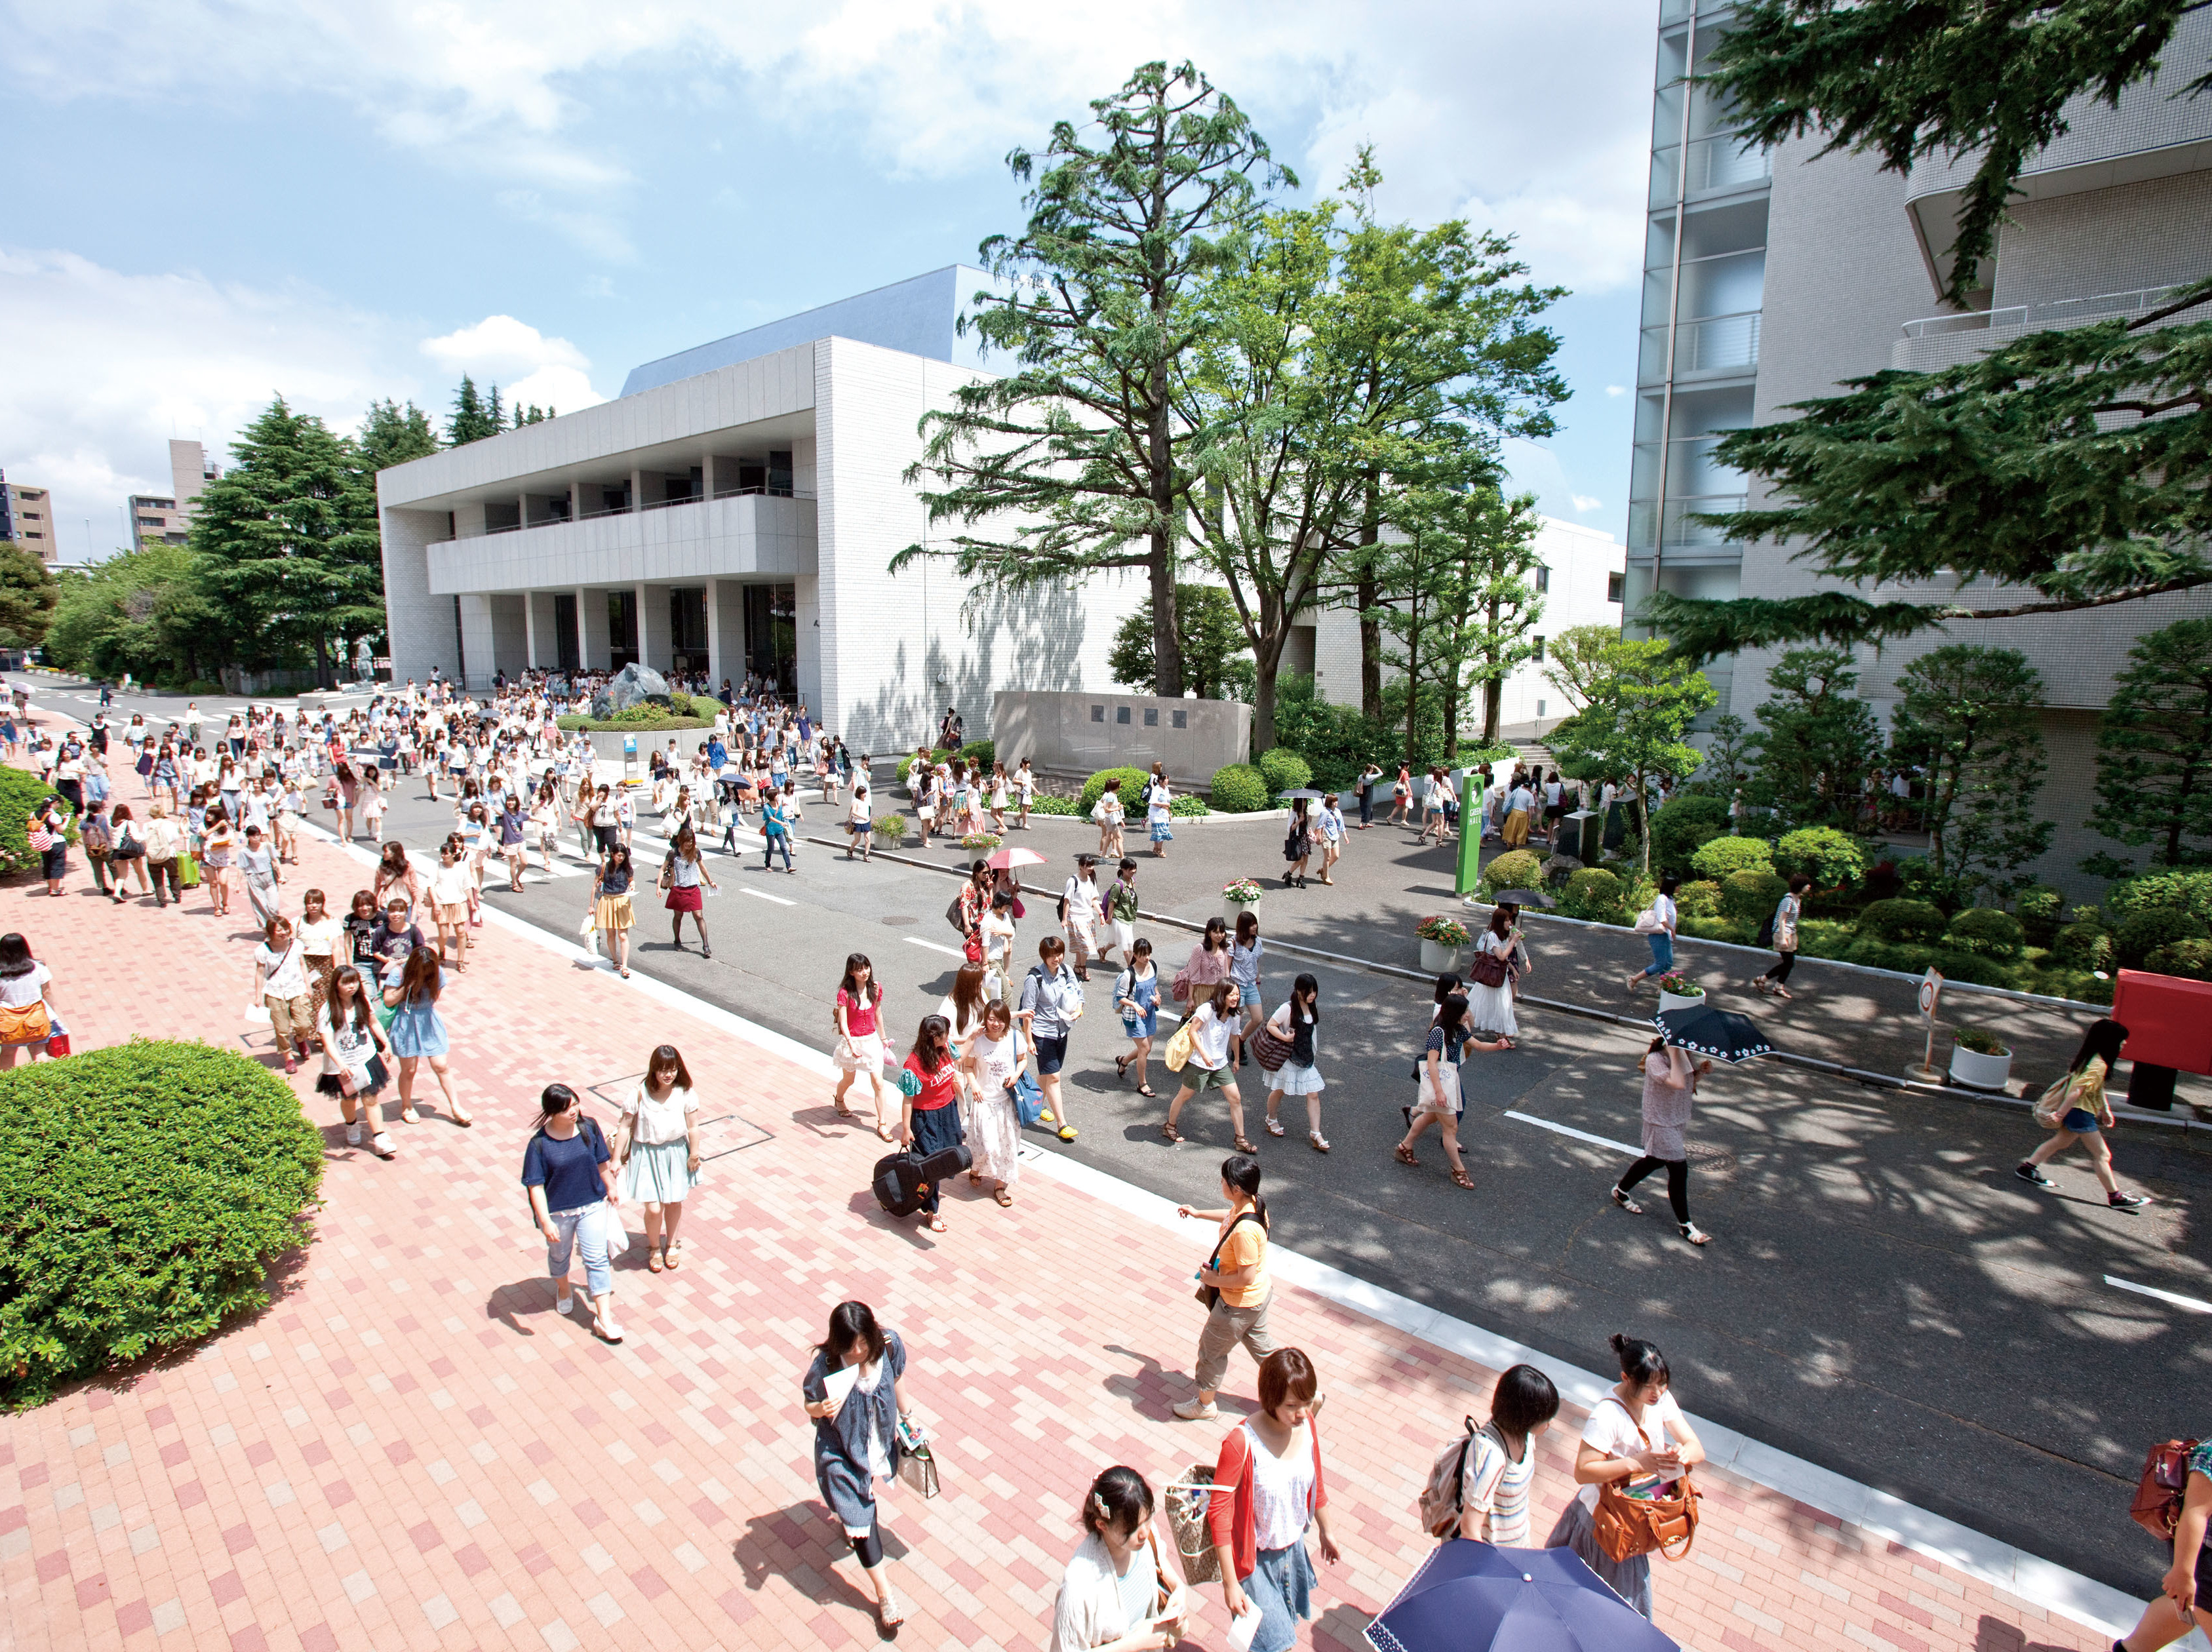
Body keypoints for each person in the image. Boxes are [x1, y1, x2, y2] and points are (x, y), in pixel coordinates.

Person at [1548, 1333, 1707, 1621]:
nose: (1657, 1393)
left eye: (1662, 1383)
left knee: (1593, 1611)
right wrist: (1636, 1463)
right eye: (1648, 1386)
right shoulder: (1607, 1416)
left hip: (1635, 1516)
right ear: (1626, 1378)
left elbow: (1696, 1448)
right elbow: (1583, 1470)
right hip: (1604, 1523)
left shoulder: (1661, 1400)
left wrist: (1684, 1453)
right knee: (1615, 1614)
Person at [1201, 1348, 1340, 1652]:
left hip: (1293, 1550)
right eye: (1292, 1405)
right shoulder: (1241, 1443)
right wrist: (1230, 1583)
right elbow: (1219, 1513)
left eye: (1307, 1402)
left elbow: (1316, 1479)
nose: (1302, 1413)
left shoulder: (1307, 1426)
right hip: (1254, 1563)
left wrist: (1326, 1529)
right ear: (1270, 1398)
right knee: (1280, 1645)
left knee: (1276, 1639)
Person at [800, 1302, 918, 1634]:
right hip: (840, 1451)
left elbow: (897, 1378)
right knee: (862, 1517)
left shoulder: (889, 1344)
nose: (858, 1352)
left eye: (864, 1343)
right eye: (850, 1347)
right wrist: (821, 1408)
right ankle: (885, 1596)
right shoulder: (826, 1364)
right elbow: (808, 1402)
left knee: (858, 1502)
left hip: (876, 1443)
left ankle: (848, 1517)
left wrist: (908, 1418)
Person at [1172, 1154, 1278, 1421]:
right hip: (1258, 1298)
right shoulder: (1255, 1205)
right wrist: (1198, 1213)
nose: (1221, 1183)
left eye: (1224, 1180)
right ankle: (1303, 1392)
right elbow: (1231, 1218)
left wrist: (1213, 1281)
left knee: (1211, 1352)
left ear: (1237, 1188)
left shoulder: (1245, 1233)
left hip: (1236, 1305)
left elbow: (1245, 1277)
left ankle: (1204, 1405)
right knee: (1265, 1351)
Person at [521, 1082, 623, 1343]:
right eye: (567, 1108)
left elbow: (600, 1161)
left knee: (597, 1259)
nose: (574, 1111)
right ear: (552, 1112)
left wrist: (610, 1186)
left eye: (576, 1104)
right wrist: (545, 1221)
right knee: (560, 1256)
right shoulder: (539, 1145)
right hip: (559, 1213)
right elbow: (536, 1187)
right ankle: (564, 1288)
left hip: (592, 1205)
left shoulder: (589, 1128)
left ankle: (604, 1319)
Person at [2017, 1018, 2152, 1209]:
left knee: (2061, 1142)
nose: (2125, 1043)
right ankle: (2116, 1197)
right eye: (2122, 1039)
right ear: (2110, 1041)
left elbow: (2096, 1088)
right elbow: (2077, 1091)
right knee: (2103, 1155)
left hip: (2077, 1112)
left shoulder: (2091, 1058)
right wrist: (2060, 1115)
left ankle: (2027, 1168)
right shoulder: (2099, 1065)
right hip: (2080, 1113)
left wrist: (2105, 1109)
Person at [1051, 1466, 1188, 1652]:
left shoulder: (1146, 1539)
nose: (1144, 1533)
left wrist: (1180, 1595)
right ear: (1102, 1525)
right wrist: (1136, 1643)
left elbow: (1171, 1579)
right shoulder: (1079, 1586)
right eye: (1131, 1529)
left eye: (1148, 1518)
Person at [1608, 1039, 1714, 1244]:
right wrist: (1675, 1053)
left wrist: (1701, 1072)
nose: (1688, 1046)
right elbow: (1677, 1083)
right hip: (1659, 1119)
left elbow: (1687, 1084)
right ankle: (1686, 1226)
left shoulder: (1685, 1055)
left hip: (1677, 1118)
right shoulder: (1655, 1060)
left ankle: (1620, 1191)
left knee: (1655, 1160)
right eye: (1684, 1043)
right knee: (1679, 1168)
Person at [1396, 993, 1505, 1190]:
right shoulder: (1438, 1033)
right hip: (1441, 1085)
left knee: (1429, 1116)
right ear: (1455, 1013)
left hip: (1449, 1083)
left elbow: (1478, 1045)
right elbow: (1432, 1064)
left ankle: (1405, 1147)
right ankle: (1458, 1170)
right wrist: (1439, 1092)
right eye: (1465, 1012)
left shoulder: (1458, 1029)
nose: (1467, 1015)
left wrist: (1497, 1046)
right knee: (1451, 1129)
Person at [2116, 1437, 2212, 1652]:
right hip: (2203, 1559)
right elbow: (2196, 1512)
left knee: (2183, 1611)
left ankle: (2131, 1650)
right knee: (2191, 1604)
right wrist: (2183, 1573)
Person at [615, 1044, 702, 1272]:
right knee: (654, 1208)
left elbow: (693, 1127)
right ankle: (654, 1247)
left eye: (673, 1069)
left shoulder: (685, 1093)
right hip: (646, 1154)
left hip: (675, 1152)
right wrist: (616, 1159)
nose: (668, 1074)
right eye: (663, 1070)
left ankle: (671, 1245)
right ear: (654, 1069)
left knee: (674, 1202)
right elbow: (624, 1126)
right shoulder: (639, 1093)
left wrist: (694, 1154)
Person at [1455, 1364, 1562, 1544]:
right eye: (1545, 1419)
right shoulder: (1491, 1458)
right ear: (1524, 1418)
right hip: (1493, 1553)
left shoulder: (1527, 1435)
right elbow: (1470, 1529)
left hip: (1517, 1545)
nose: (1549, 1424)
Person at [382, 947, 473, 1128]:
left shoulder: (437, 972)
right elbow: (388, 1000)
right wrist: (407, 986)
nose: (425, 975)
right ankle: (407, 1106)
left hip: (428, 1020)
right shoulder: (399, 973)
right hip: (406, 1021)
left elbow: (434, 998)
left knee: (441, 1065)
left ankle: (456, 1107)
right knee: (409, 1070)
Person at [317, 964, 397, 1158]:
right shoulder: (327, 1011)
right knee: (349, 1098)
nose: (351, 986)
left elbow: (374, 1023)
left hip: (366, 1058)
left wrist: (386, 1043)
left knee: (371, 1098)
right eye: (346, 983)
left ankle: (380, 1137)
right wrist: (340, 1064)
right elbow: (327, 1042)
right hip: (344, 1064)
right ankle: (351, 1125)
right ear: (336, 985)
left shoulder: (363, 1001)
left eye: (354, 982)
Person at [898, 1015, 967, 1234]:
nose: (949, 1037)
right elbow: (908, 1100)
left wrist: (974, 1037)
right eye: (946, 1033)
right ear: (934, 1037)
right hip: (926, 1119)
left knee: (948, 1157)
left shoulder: (945, 1047)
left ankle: (924, 1196)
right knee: (931, 1166)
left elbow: (960, 1058)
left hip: (948, 1112)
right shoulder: (913, 1065)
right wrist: (906, 1129)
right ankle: (931, 1210)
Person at [1162, 981, 1252, 1149]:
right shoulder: (1207, 1009)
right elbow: (1193, 1031)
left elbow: (1235, 1036)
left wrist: (1237, 1059)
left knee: (1236, 1098)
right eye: (1232, 995)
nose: (1236, 998)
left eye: (1237, 994)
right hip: (1199, 1062)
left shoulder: (1235, 1015)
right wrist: (1204, 1054)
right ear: (1222, 995)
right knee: (1185, 1095)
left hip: (1220, 1063)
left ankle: (1240, 1139)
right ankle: (1170, 1126)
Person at [1020, 935, 1085, 1143]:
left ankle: (1034, 1105)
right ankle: (1062, 1125)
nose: (1056, 959)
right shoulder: (1035, 979)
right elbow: (1028, 1012)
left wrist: (1079, 1009)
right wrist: (1029, 1040)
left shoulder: (1066, 971)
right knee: (1055, 1077)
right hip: (1042, 1033)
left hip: (1061, 1031)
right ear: (1044, 956)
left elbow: (1079, 993)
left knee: (1047, 1075)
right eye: (1052, 956)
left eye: (1059, 954)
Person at [962, 997, 1026, 1208]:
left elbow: (1023, 1060)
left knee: (1007, 1146)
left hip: (1007, 1100)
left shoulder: (1015, 1037)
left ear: (1006, 1020)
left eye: (1000, 1020)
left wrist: (1016, 1076)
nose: (996, 1024)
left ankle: (1000, 1186)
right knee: (985, 1144)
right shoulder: (979, 1041)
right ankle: (976, 1168)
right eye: (991, 1019)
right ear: (985, 1019)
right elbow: (968, 1066)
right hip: (984, 1100)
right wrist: (974, 1085)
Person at [1263, 974, 1328, 1153]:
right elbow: (1271, 1025)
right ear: (1299, 991)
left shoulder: (1311, 1006)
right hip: (1289, 1059)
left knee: (1313, 1094)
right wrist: (1285, 1038)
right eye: (1309, 991)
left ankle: (1316, 1133)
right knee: (1280, 1090)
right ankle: (1271, 1119)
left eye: (1315, 991)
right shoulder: (1288, 1008)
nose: (1313, 995)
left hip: (1306, 1060)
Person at [834, 953, 894, 1137]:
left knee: (878, 1083)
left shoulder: (876, 988)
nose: (865, 972)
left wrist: (883, 1038)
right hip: (853, 1041)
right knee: (849, 1080)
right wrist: (851, 1044)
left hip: (871, 1040)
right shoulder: (845, 993)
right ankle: (839, 1099)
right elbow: (843, 1023)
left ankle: (882, 1124)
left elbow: (878, 1014)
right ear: (851, 972)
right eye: (859, 969)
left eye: (866, 967)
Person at [250, 914, 315, 1075]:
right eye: (279, 930)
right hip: (275, 992)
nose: (284, 933)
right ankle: (288, 1057)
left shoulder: (296, 945)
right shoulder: (262, 950)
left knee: (304, 1023)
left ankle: (300, 1039)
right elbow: (259, 973)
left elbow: (303, 965)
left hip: (297, 989)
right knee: (282, 1029)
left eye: (285, 929)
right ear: (271, 932)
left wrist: (308, 986)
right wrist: (258, 996)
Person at [0, 933, 62, 1070]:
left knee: (8, 1053)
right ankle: (43, 1081)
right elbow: (47, 993)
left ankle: (6, 1082)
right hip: (35, 1017)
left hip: (8, 1021)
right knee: (39, 1051)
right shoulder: (38, 967)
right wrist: (51, 1015)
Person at [1467, 907, 1528, 1042]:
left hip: (1498, 975)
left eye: (1510, 920)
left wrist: (1513, 968)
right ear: (1500, 922)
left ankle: (1500, 1034)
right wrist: (1513, 942)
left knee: (1487, 1002)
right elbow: (1501, 956)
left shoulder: (1502, 937)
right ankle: (1501, 1035)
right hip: (1492, 974)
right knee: (1499, 1004)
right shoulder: (1492, 936)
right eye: (1507, 921)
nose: (1510, 923)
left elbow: (1503, 959)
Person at [1113, 937, 1161, 1100]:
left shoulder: (1153, 966)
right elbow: (1120, 997)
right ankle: (1142, 1084)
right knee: (1145, 1048)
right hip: (1135, 1016)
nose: (1147, 958)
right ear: (1135, 955)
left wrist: (1158, 996)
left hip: (1149, 1013)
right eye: (1143, 955)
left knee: (1145, 1049)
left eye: (1148, 954)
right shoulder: (1129, 975)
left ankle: (1124, 1061)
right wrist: (1135, 1005)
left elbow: (1154, 986)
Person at [662, 825, 718, 956]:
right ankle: (677, 940)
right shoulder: (673, 853)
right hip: (679, 889)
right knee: (678, 916)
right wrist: (658, 886)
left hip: (693, 888)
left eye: (691, 842)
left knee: (698, 916)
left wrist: (710, 881)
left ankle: (706, 946)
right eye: (687, 842)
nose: (689, 844)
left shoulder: (696, 852)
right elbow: (662, 869)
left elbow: (702, 868)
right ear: (681, 841)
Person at [1753, 873, 1810, 999]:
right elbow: (1782, 920)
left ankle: (1774, 984)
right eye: (1807, 884)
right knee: (1789, 963)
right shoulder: (1788, 900)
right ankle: (1768, 982)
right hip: (1782, 933)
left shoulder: (1797, 899)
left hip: (1791, 933)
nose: (1809, 887)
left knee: (1789, 963)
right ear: (1800, 886)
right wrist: (1784, 938)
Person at [1624, 875, 1681, 993]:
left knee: (1668, 963)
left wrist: (1671, 931)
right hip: (1658, 935)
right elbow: (1662, 919)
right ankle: (1633, 979)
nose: (1679, 887)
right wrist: (1672, 929)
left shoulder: (1670, 899)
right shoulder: (1662, 899)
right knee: (1661, 964)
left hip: (1665, 935)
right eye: (1678, 885)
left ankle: (1663, 988)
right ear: (1671, 886)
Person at [425, 836, 473, 971]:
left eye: (446, 853)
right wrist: (436, 903)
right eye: (442, 853)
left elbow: (467, 886)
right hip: (442, 903)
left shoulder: (462, 867)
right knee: (443, 935)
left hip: (459, 903)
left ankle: (460, 961)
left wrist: (472, 903)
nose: (443, 856)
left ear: (454, 854)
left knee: (461, 932)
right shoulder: (437, 866)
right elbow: (431, 885)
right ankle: (442, 951)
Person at [594, 844, 637, 978]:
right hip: (607, 900)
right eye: (619, 855)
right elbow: (595, 886)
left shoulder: (627, 867)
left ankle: (625, 966)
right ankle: (615, 960)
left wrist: (632, 885)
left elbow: (631, 881)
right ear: (612, 854)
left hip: (622, 900)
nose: (621, 858)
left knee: (623, 935)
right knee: (611, 934)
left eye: (623, 856)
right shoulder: (604, 867)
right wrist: (591, 906)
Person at [1228, 912, 1265, 1066]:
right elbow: (1227, 966)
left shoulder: (1258, 941)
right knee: (1236, 1021)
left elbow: (1257, 963)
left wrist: (1258, 981)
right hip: (1237, 985)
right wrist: (1229, 988)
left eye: (1255, 923)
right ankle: (1235, 1051)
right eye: (1251, 925)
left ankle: (1241, 1041)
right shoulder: (1234, 943)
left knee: (1258, 1018)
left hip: (1251, 984)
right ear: (1243, 927)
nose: (1255, 927)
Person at [1063, 855, 1105, 980]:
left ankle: (1077, 966)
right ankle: (1083, 967)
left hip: (1088, 917)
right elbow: (1067, 901)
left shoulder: (1091, 880)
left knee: (1080, 945)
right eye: (1088, 866)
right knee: (1086, 945)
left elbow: (1094, 899)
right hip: (1076, 917)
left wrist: (1101, 914)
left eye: (1092, 865)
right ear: (1081, 866)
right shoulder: (1073, 881)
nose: (1091, 868)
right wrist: (1064, 919)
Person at [238, 823, 283, 929]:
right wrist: (237, 885)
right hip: (254, 879)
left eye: (258, 835)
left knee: (274, 907)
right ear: (248, 836)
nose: (256, 837)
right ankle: (267, 929)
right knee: (261, 906)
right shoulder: (244, 852)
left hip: (269, 878)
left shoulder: (268, 846)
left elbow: (276, 861)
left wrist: (282, 875)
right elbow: (241, 868)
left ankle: (274, 925)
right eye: (253, 835)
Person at [142, 803, 185, 909]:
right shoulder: (169, 824)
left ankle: (161, 899)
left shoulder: (146, 826)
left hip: (153, 856)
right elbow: (175, 838)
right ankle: (177, 895)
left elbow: (144, 839)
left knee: (157, 879)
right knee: (174, 876)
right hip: (169, 854)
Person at [28, 791, 69, 898]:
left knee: (47, 864)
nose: (59, 806)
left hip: (43, 843)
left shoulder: (34, 814)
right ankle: (55, 890)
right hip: (56, 842)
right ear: (55, 803)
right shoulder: (54, 815)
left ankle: (50, 887)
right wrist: (67, 820)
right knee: (57, 865)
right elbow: (61, 830)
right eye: (59, 804)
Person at [760, 785, 797, 873]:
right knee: (771, 848)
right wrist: (781, 823)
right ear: (773, 797)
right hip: (771, 830)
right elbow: (771, 818)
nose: (778, 796)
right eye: (776, 795)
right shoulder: (766, 807)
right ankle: (767, 865)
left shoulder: (779, 805)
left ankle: (789, 866)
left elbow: (780, 816)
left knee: (784, 848)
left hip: (779, 830)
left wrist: (786, 816)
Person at [1092, 779, 1127, 861]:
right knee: (1120, 839)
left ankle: (1103, 856)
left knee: (1108, 838)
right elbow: (1107, 809)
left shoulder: (1111, 795)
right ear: (1117, 786)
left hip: (1110, 819)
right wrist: (1118, 809)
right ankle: (1122, 858)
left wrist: (1120, 819)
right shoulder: (1111, 796)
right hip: (1111, 820)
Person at [1281, 798, 1312, 888]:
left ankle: (1301, 878)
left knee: (1306, 859)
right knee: (1300, 860)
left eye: (1305, 802)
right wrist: (1299, 821)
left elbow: (1306, 828)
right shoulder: (1294, 813)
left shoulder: (1305, 813)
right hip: (1297, 838)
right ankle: (1288, 873)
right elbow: (1290, 829)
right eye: (1303, 801)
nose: (1305, 804)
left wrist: (1309, 820)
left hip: (1304, 838)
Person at [1143, 766, 1174, 857]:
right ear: (1160, 780)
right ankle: (1159, 850)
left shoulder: (1166, 789)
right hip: (1156, 814)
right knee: (1160, 832)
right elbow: (1153, 802)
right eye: (1165, 779)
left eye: (1168, 779)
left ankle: (1156, 849)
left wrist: (1169, 813)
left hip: (1163, 813)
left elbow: (1167, 803)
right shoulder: (1157, 789)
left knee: (1160, 832)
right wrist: (1165, 805)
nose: (1167, 781)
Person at [1314, 795, 1345, 884]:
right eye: (1334, 801)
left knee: (1336, 856)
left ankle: (1323, 870)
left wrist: (1345, 836)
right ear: (1329, 802)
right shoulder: (1325, 812)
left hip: (1335, 836)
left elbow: (1341, 824)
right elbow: (1320, 825)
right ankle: (1326, 877)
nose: (1336, 803)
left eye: (1336, 801)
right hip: (1326, 836)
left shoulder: (1338, 811)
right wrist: (1319, 836)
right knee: (1327, 857)